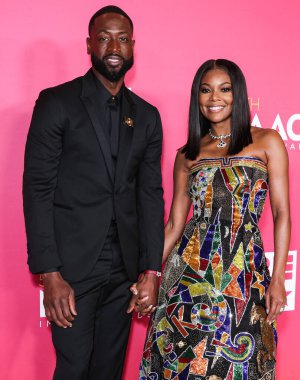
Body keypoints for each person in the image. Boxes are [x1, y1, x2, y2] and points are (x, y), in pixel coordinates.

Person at [23, 5, 164, 379]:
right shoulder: (57, 102)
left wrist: (151, 269)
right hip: (72, 270)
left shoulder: (147, 116)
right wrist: (49, 273)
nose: (113, 46)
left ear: (133, 45)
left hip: (124, 271)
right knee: (73, 368)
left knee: (108, 370)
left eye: (121, 38)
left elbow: (150, 194)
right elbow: (37, 189)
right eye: (103, 38)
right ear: (89, 45)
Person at [138, 59, 290, 379]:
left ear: (239, 94)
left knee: (238, 364)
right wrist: (149, 272)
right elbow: (174, 226)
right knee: (187, 365)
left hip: (244, 273)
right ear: (197, 97)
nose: (214, 98)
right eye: (205, 90)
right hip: (189, 277)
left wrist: (277, 279)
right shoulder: (187, 154)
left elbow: (281, 213)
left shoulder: (267, 141)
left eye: (224, 89)